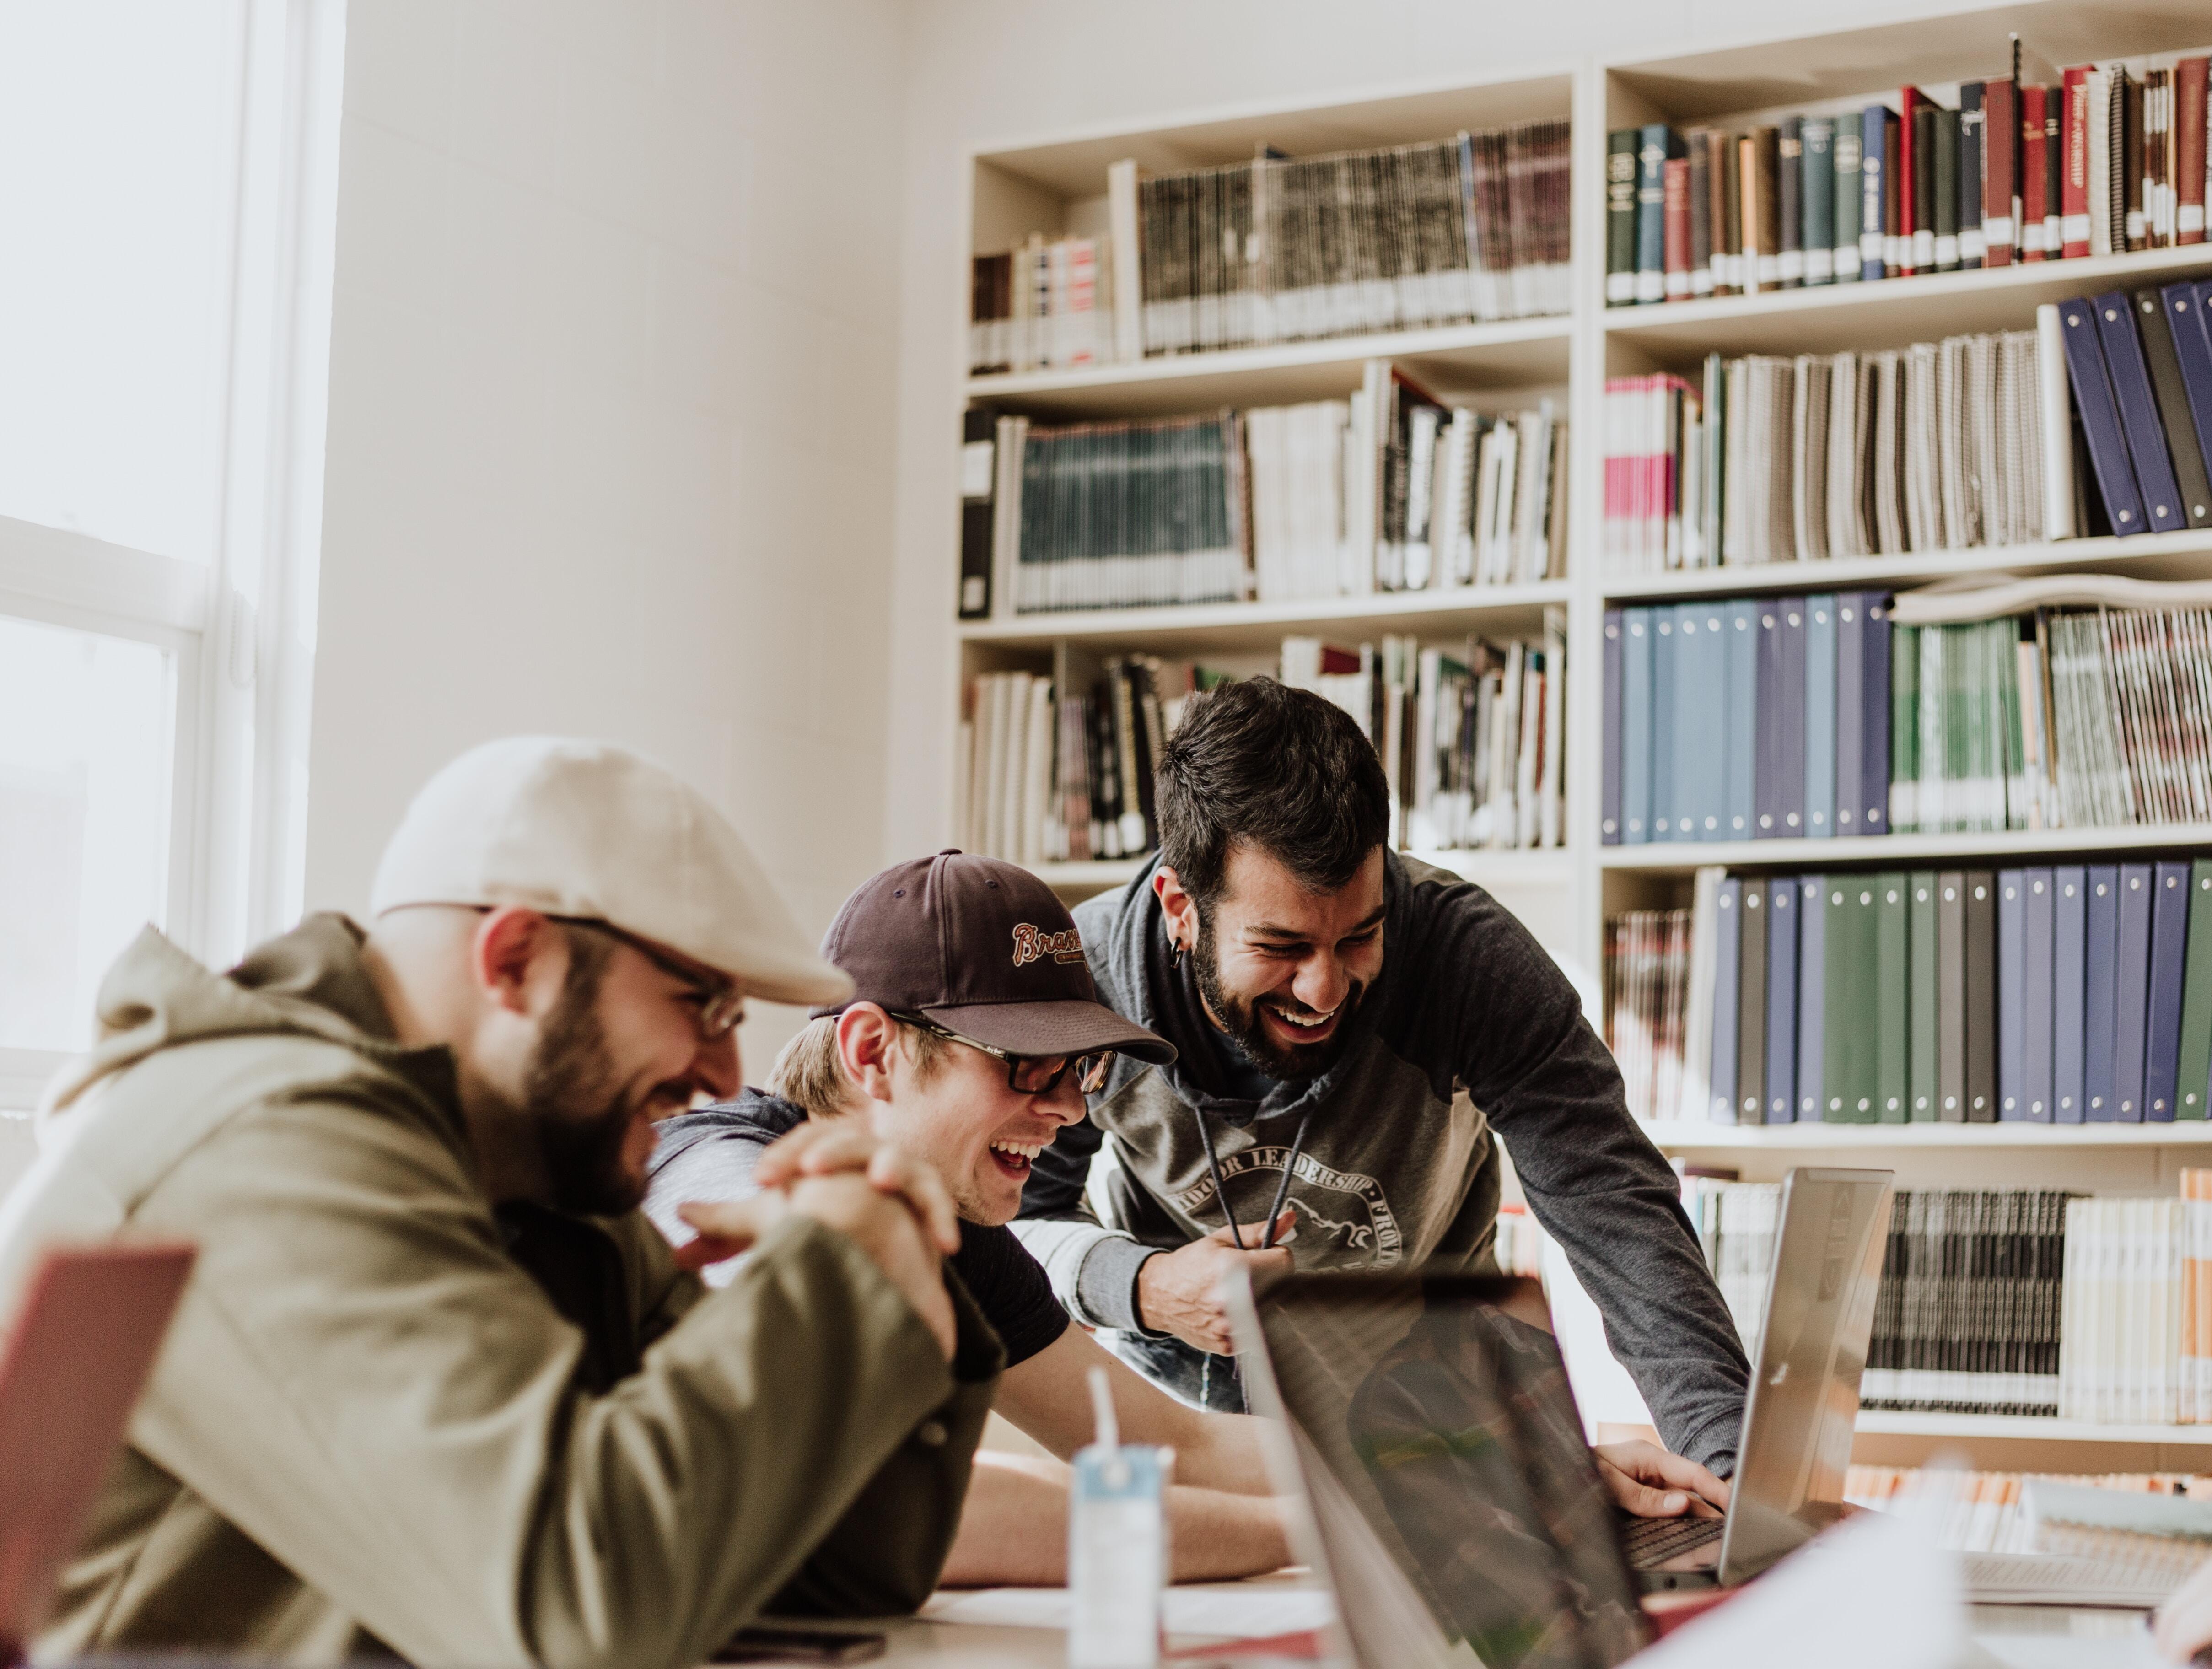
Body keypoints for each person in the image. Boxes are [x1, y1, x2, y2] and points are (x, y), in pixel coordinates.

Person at [0, 738, 995, 1669]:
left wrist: (897, 1273)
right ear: (515, 959)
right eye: (702, 1005)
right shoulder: (262, 1148)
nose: (725, 1072)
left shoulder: (534, 1175)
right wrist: (837, 1275)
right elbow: (575, 1615)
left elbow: (826, 1576)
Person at [646, 850, 1716, 1584]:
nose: (1068, 1110)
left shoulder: (954, 1228)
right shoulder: (722, 1178)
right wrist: (1389, 1524)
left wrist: (1507, 1469)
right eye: (1028, 1068)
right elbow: (900, 1502)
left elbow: (1165, 1443)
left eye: (1083, 1071)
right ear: (873, 1051)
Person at [1012, 676, 1752, 1494]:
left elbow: (1618, 1213)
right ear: (1182, 906)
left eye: (1360, 936)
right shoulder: (1085, 982)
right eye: (1282, 947)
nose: (1325, 990)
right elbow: (1011, 1228)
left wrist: (1733, 1480)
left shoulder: (1468, 959)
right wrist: (1143, 1286)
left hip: (1430, 1413)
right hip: (1179, 1430)